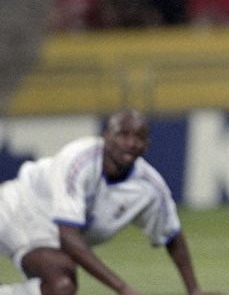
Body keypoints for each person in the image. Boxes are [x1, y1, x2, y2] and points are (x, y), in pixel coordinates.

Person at [0, 109, 214, 295]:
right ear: (106, 136)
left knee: (61, 286)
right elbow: (68, 237)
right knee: (62, 275)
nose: (131, 143)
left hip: (45, 236)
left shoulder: (149, 188)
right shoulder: (78, 160)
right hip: (14, 207)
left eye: (139, 137)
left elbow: (172, 236)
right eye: (123, 134)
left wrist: (194, 290)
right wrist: (122, 288)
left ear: (147, 145)